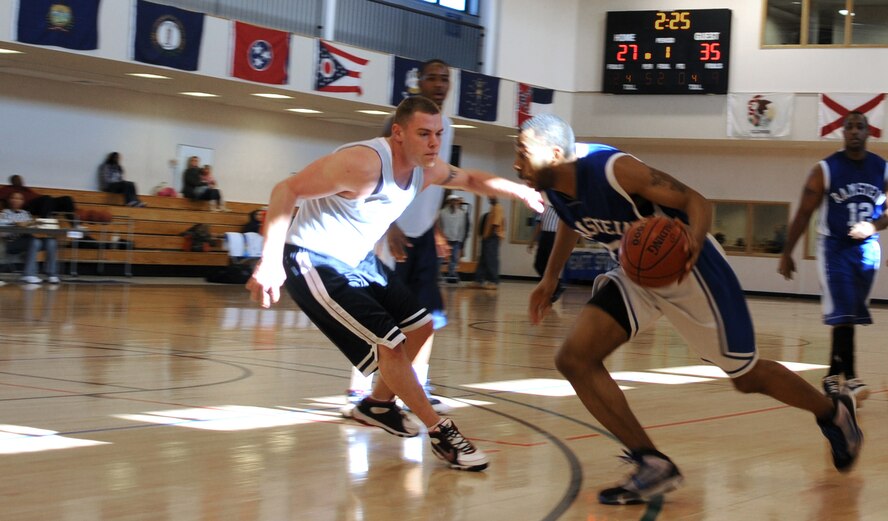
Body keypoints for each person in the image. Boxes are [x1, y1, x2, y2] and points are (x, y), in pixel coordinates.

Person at [514, 113, 862, 505]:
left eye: (523, 153)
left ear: (556, 153)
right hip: (636, 272)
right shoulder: (557, 186)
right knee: (575, 359)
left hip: (691, 271)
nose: (516, 163)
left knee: (746, 377)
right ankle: (652, 464)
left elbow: (696, 201)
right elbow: (569, 219)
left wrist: (691, 244)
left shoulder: (614, 169)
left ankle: (833, 413)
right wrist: (550, 277)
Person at [246, 96, 543, 471]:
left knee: (421, 325)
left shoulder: (426, 170)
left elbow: (469, 178)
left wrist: (518, 191)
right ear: (399, 133)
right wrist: (270, 261)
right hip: (312, 257)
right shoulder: (362, 164)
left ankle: (377, 405)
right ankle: (441, 433)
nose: (434, 143)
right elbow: (285, 191)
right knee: (391, 344)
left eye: (438, 134)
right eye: (424, 134)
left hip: (356, 257)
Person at [341, 59, 455, 416]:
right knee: (387, 316)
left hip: (422, 237)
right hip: (394, 232)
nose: (439, 83)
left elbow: (434, 181)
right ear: (418, 81)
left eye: (445, 78)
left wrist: (435, 228)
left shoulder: (446, 126)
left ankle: (417, 383)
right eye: (432, 78)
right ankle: (361, 383)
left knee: (427, 316)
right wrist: (388, 226)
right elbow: (381, 174)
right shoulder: (400, 124)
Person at [779, 111, 885, 402]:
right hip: (834, 248)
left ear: (868, 132)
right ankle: (851, 378)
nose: (853, 131)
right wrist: (787, 252)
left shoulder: (881, 169)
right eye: (848, 126)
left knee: (846, 316)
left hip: (867, 250)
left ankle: (830, 376)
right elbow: (803, 213)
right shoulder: (825, 169)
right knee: (845, 311)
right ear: (841, 131)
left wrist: (873, 226)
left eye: (859, 126)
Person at [1, 192, 60, 284]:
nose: (16, 200)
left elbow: (29, 226)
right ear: (9, 200)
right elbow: (3, 229)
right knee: (35, 242)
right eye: (14, 198)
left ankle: (52, 274)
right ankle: (29, 274)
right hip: (12, 242)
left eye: (19, 199)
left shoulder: (25, 213)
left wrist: (36, 225)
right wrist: (17, 223)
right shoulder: (5, 213)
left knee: (51, 242)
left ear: (22, 202)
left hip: (28, 238)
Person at [0, 175, 77, 224]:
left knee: (67, 199)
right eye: (16, 179)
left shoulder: (26, 189)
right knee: (46, 198)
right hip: (29, 207)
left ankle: (76, 226)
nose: (19, 181)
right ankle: (44, 221)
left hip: (44, 204)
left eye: (20, 179)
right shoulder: (7, 189)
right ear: (12, 181)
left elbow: (37, 196)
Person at [527, 203, 565, 301]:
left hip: (554, 236)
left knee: (550, 264)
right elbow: (539, 224)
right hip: (544, 236)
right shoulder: (544, 207)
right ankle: (553, 284)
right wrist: (532, 241)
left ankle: (555, 287)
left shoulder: (561, 207)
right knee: (538, 264)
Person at [472, 196, 504, 289]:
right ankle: (478, 280)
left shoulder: (498, 207)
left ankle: (493, 281)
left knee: (491, 259)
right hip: (487, 237)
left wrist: (489, 236)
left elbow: (495, 224)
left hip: (492, 237)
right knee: (483, 259)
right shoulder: (492, 208)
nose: (489, 198)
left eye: (491, 197)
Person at [438, 194, 470, 283]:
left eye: (455, 201)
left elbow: (462, 227)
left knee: (454, 258)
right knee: (440, 258)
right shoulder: (442, 212)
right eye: (452, 200)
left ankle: (451, 274)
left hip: (456, 238)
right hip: (444, 238)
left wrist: (461, 240)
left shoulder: (461, 213)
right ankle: (437, 274)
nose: (454, 202)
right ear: (449, 201)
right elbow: (440, 226)